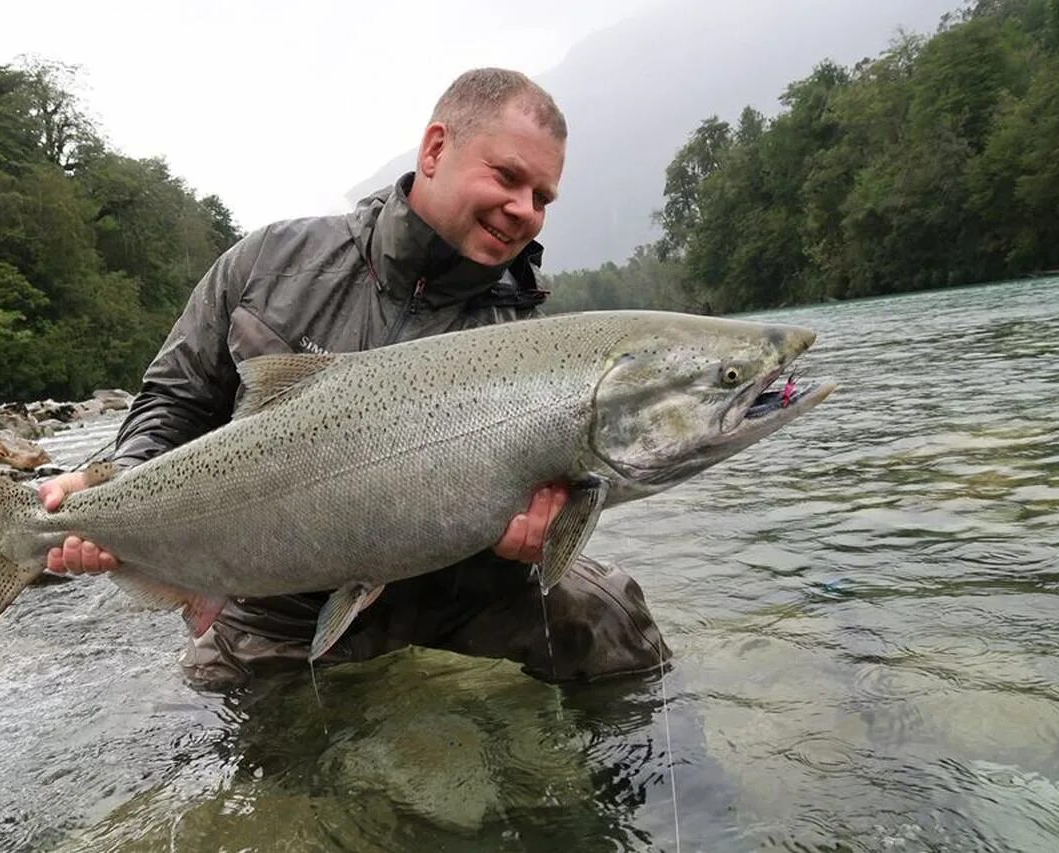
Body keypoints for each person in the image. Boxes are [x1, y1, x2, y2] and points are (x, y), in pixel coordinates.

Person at [38, 68, 670, 690]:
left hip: (451, 586)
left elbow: (559, 489)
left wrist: (538, 534)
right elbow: (176, 399)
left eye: (543, 198)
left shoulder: (524, 338)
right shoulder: (267, 265)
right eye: (507, 177)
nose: (525, 211)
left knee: (613, 624)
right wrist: (114, 485)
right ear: (435, 149)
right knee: (261, 756)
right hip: (277, 600)